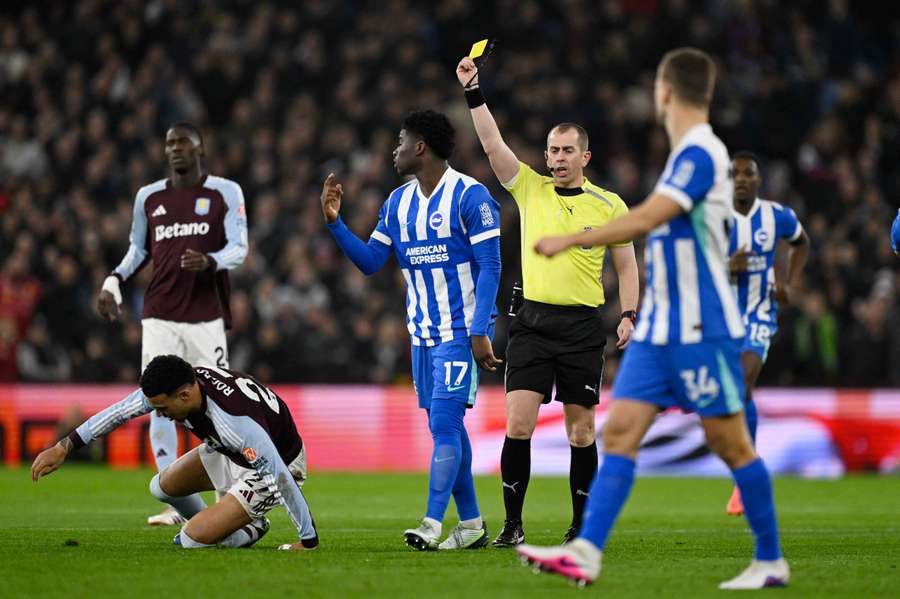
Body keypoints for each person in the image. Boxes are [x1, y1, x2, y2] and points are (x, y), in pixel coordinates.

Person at [521, 48, 789, 589]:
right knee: (618, 433)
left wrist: (573, 237)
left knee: (731, 443)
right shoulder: (682, 155)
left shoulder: (702, 151)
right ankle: (587, 552)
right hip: (663, 327)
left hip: (699, 327)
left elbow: (648, 217)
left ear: (665, 91)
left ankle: (770, 559)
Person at [455, 56, 640, 546]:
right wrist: (474, 92)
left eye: (565, 151)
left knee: (581, 433)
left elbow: (626, 265)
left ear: (585, 157)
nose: (556, 158)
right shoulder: (529, 188)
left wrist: (628, 313)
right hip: (531, 323)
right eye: (551, 150)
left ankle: (581, 527)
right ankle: (513, 525)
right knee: (518, 423)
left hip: (582, 328)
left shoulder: (609, 205)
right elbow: (492, 144)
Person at [322, 109, 501, 550]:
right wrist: (335, 224)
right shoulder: (398, 203)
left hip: (458, 333)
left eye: (400, 141)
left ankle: (431, 523)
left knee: (444, 425)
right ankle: (474, 525)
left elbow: (491, 266)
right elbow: (369, 263)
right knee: (450, 430)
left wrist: (480, 330)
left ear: (420, 146)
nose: (394, 150)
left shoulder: (471, 197)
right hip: (421, 335)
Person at [96, 122, 248, 526]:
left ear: (200, 147)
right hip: (160, 314)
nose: (175, 148)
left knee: (220, 403)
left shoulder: (225, 192)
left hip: (205, 316)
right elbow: (137, 250)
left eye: (183, 141)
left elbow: (239, 247)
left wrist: (212, 260)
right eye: (169, 143)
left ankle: (226, 497)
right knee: (158, 403)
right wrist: (113, 281)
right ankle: (175, 502)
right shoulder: (149, 197)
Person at [30, 354, 318, 551]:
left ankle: (250, 526)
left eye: (162, 408)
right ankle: (221, 524)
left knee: (191, 541)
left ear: (184, 395)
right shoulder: (181, 385)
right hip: (231, 452)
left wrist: (308, 542)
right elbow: (119, 412)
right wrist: (64, 445)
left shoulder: (235, 422)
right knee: (162, 487)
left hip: (275, 465)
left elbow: (279, 476)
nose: (160, 414)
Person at [725, 151, 809, 515]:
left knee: (744, 382)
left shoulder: (776, 216)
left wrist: (788, 280)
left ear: (758, 180)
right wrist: (728, 266)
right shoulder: (713, 218)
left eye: (749, 173)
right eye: (735, 173)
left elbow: (801, 242)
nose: (742, 179)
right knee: (733, 393)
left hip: (759, 315)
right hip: (720, 320)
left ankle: (746, 477)